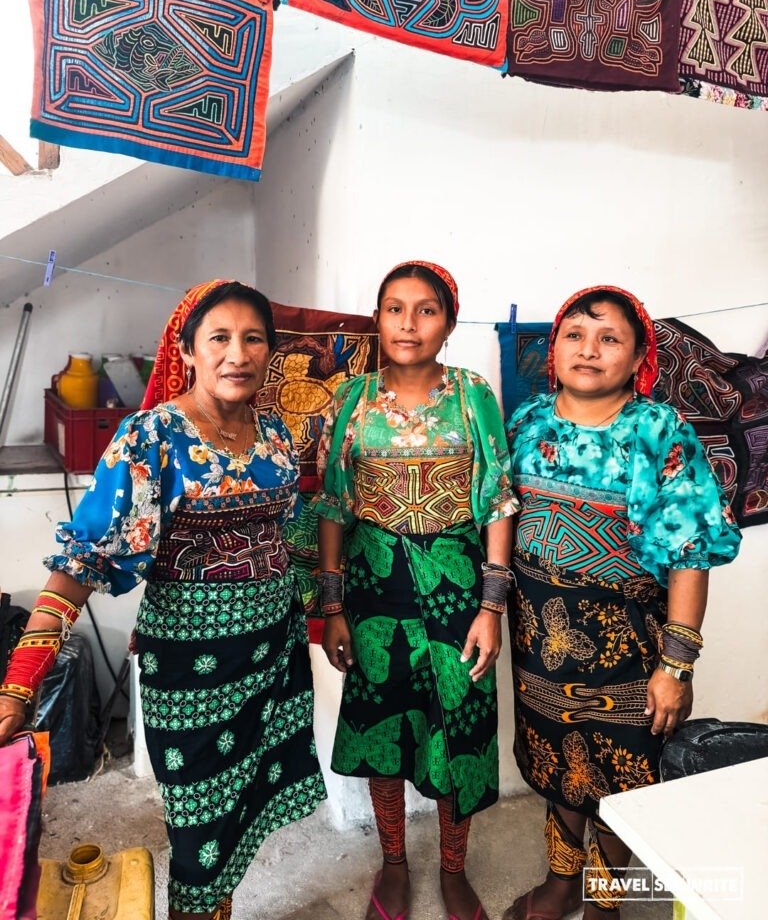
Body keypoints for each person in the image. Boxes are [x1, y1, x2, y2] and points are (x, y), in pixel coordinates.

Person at [0, 280, 326, 920]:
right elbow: (82, 559)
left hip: (275, 658)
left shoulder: (277, 436)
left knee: (238, 819)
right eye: (220, 339)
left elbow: (292, 530)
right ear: (189, 350)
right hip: (192, 675)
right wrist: (20, 680)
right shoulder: (151, 440)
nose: (238, 354)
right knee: (198, 834)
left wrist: (332, 605)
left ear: (270, 351)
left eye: (253, 338)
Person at [503, 286, 741, 920]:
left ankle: (605, 901)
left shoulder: (661, 433)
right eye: (575, 335)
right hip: (539, 643)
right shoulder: (527, 423)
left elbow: (690, 552)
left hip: (631, 650)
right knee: (557, 762)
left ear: (638, 358)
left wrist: (677, 667)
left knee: (625, 774)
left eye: (609, 338)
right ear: (553, 348)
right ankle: (561, 882)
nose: (589, 350)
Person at [314, 261, 518, 920]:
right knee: (385, 725)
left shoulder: (471, 395)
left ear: (449, 323)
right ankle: (394, 862)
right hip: (375, 587)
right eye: (394, 308)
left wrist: (491, 606)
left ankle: (454, 869)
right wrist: (334, 607)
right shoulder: (353, 398)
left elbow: (496, 500)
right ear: (377, 319)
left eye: (426, 309)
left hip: (459, 587)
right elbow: (334, 505)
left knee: (458, 727)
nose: (408, 323)